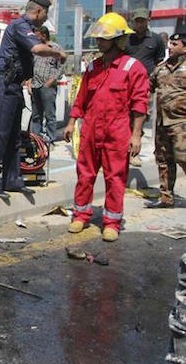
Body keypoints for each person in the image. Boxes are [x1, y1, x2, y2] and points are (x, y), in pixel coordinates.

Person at [62, 12, 149, 242]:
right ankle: (81, 215)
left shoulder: (133, 67)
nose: (98, 42)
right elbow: (81, 98)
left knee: (115, 177)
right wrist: (72, 122)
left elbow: (140, 104)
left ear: (118, 39)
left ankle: (112, 222)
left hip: (117, 131)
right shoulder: (93, 67)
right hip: (91, 128)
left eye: (103, 39)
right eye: (98, 39)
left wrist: (136, 135)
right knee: (85, 174)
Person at [0, 0, 66, 199]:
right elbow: (37, 50)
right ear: (39, 10)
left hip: (15, 86)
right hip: (5, 86)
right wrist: (58, 52)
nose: (46, 17)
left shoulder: (28, 28)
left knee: (14, 137)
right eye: (46, 12)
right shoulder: (20, 26)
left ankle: (12, 181)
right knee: (1, 135)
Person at [145, 31, 186, 209]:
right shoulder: (161, 67)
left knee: (184, 159)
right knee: (163, 160)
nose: (170, 47)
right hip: (162, 123)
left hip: (182, 124)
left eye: (174, 45)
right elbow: (149, 87)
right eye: (169, 44)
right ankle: (166, 197)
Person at [125, 8, 166, 167]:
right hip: (126, 83)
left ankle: (134, 152)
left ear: (148, 21)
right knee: (123, 116)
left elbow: (159, 62)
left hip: (144, 85)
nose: (139, 24)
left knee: (140, 117)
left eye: (142, 20)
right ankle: (123, 151)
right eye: (137, 21)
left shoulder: (156, 40)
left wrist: (152, 81)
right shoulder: (127, 39)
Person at [30, 26, 64, 144]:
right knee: (36, 115)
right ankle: (36, 139)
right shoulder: (36, 49)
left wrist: (52, 80)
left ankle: (51, 138)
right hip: (35, 85)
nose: (36, 38)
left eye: (37, 35)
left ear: (44, 35)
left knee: (49, 114)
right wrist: (29, 81)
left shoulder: (55, 48)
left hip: (47, 86)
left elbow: (60, 67)